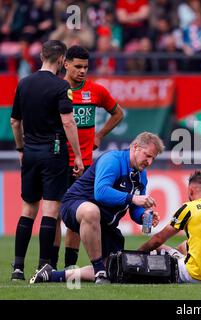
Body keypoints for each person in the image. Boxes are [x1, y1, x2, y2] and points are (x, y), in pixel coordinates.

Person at [29, 132, 164, 284]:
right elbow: (101, 193)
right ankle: (99, 271)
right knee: (91, 211)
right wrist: (133, 198)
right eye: (148, 155)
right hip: (76, 204)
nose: (150, 161)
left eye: (153, 158)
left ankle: (52, 275)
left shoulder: (142, 176)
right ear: (135, 147)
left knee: (115, 269)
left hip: (105, 223)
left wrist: (143, 216)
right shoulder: (113, 160)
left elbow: (135, 209)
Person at [10, 40, 84, 281]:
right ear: (63, 60)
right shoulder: (61, 87)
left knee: (28, 209)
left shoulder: (24, 83)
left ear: (41, 56)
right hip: (53, 152)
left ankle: (17, 268)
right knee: (50, 210)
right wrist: (78, 156)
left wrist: (21, 149)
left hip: (30, 152)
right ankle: (44, 267)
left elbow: (15, 122)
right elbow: (68, 122)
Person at [51, 45, 125, 270]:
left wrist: (100, 134)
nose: (82, 71)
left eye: (85, 67)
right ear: (66, 64)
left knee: (75, 215)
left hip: (84, 166)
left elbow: (118, 112)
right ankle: (50, 265)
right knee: (53, 213)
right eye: (78, 66)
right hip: (58, 160)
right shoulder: (56, 89)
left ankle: (70, 266)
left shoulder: (95, 90)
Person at [138, 170, 201, 283]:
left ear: (190, 191)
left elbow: (158, 239)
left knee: (159, 247)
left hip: (193, 276)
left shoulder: (189, 208)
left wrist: (139, 251)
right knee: (184, 245)